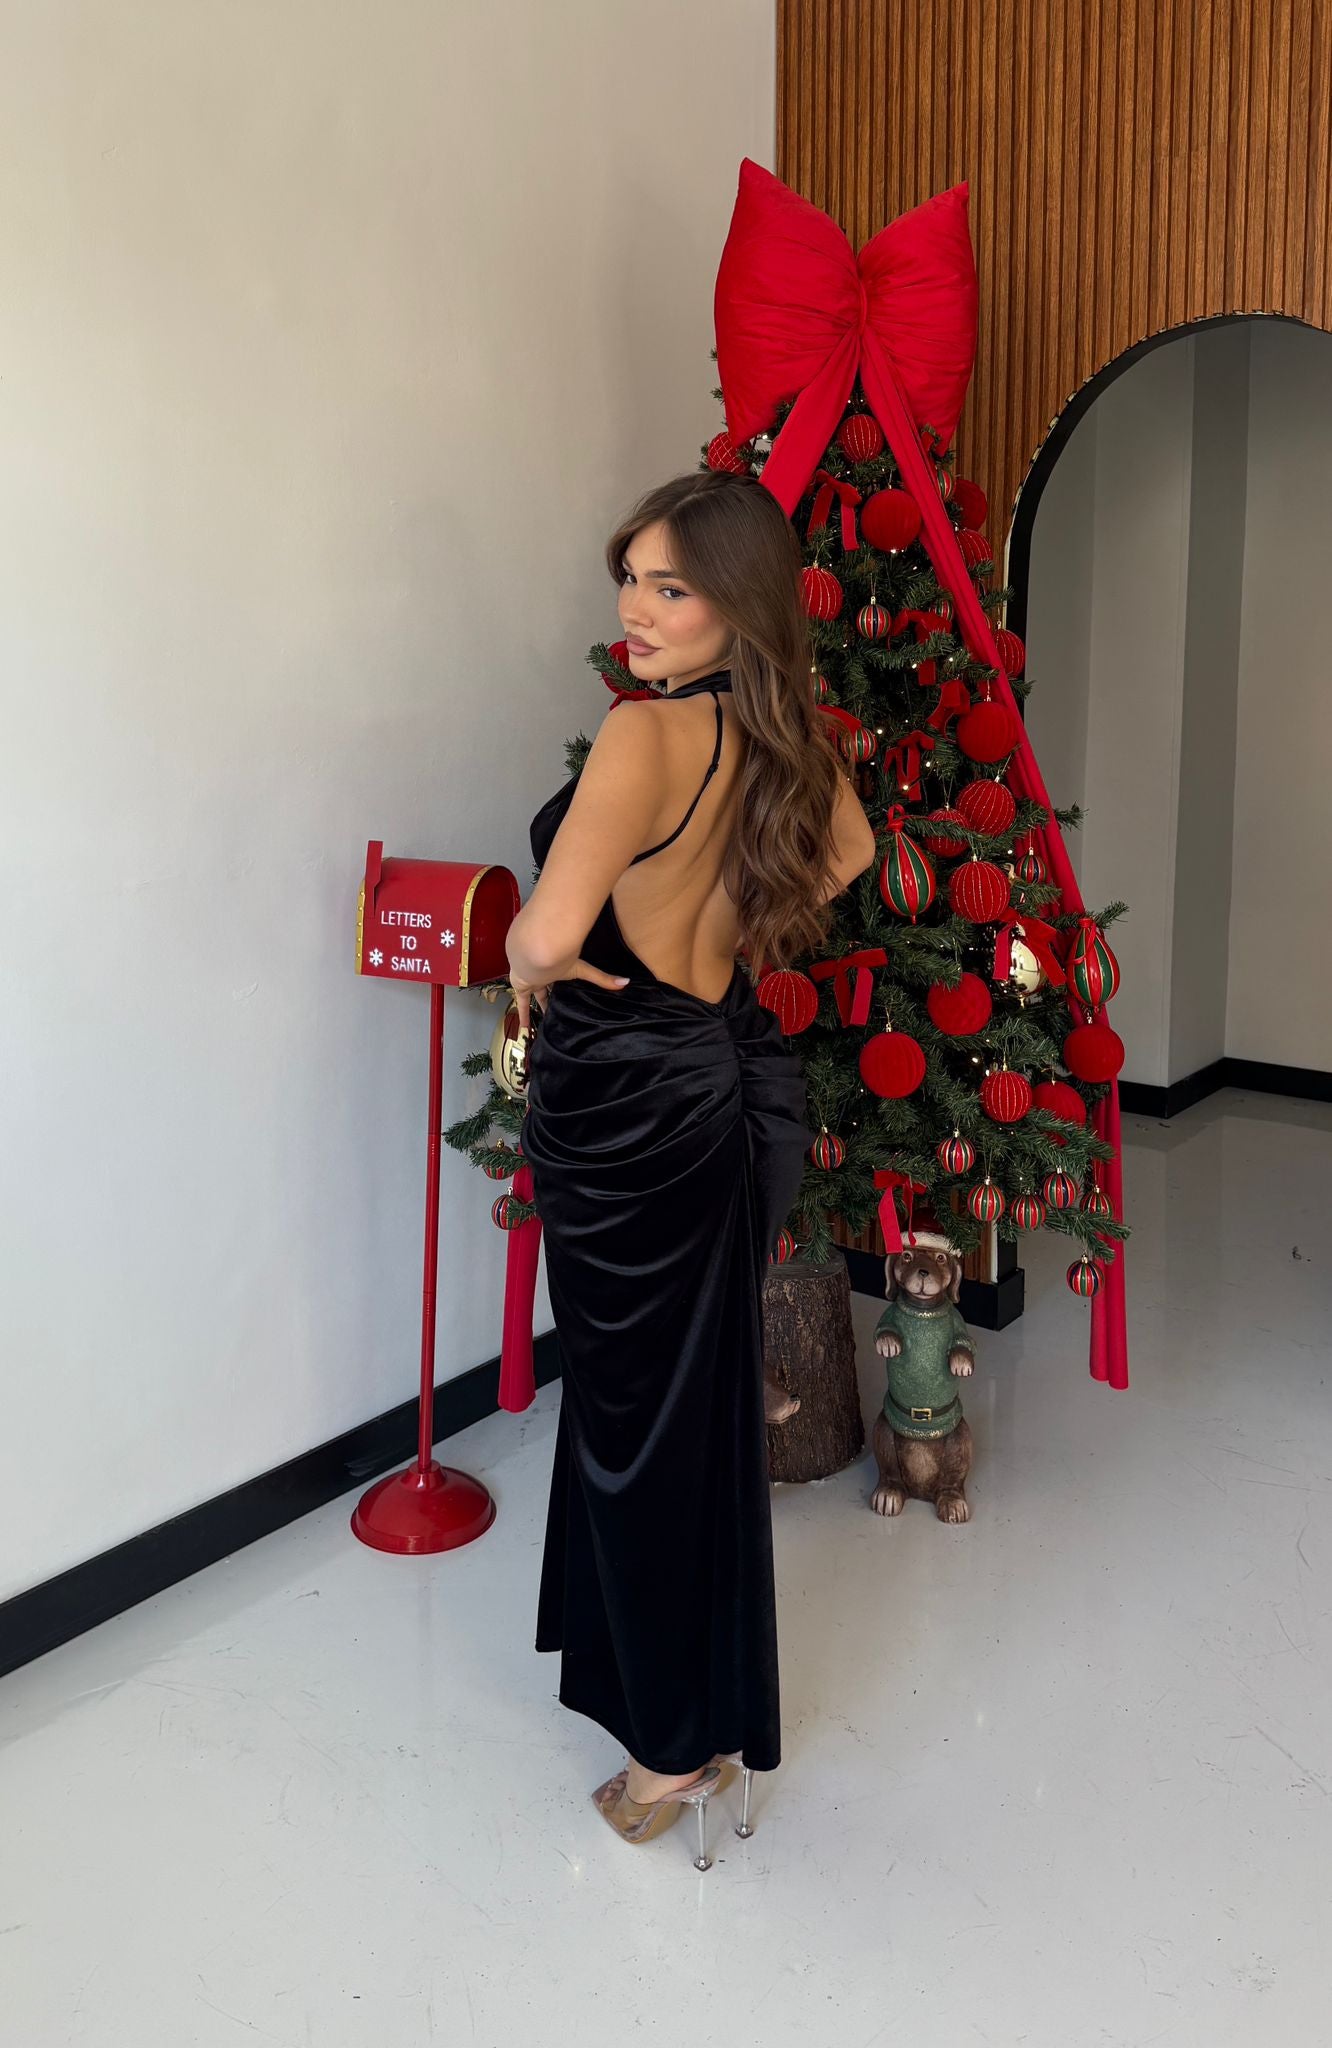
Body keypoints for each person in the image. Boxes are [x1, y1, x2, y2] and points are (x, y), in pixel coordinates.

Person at [508, 468, 877, 1866]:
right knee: (682, 1416)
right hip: (709, 1080)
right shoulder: (775, 736)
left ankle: (669, 1751)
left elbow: (546, 937)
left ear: (738, 604)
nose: (637, 608)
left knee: (638, 1430)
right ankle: (692, 1713)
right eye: (632, 577)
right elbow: (849, 852)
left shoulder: (644, 733)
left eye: (672, 586)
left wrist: (529, 960)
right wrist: (730, 924)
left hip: (623, 1107)